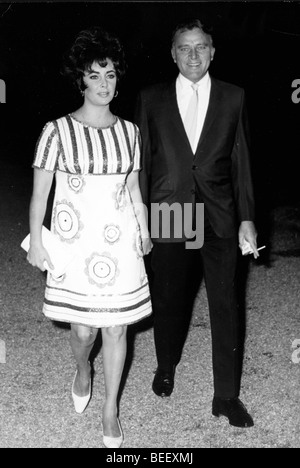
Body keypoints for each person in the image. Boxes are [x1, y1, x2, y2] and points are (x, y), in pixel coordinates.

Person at [27, 26, 152, 448]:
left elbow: (134, 189)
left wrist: (146, 230)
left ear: (118, 82)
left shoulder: (131, 133)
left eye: (111, 75)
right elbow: (40, 193)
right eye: (95, 75)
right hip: (76, 243)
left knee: (117, 329)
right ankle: (83, 370)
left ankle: (110, 408)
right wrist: (37, 241)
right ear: (80, 79)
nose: (103, 83)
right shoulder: (56, 131)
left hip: (120, 243)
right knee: (84, 332)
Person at [135, 18, 259, 428]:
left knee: (225, 303)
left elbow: (241, 163)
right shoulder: (152, 98)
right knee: (170, 298)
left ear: (212, 51)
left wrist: (247, 219)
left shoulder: (232, 96)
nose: (193, 55)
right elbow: (143, 164)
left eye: (200, 47)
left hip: (219, 213)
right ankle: (166, 364)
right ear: (173, 54)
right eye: (184, 48)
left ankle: (226, 395)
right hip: (171, 209)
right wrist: (140, 219)